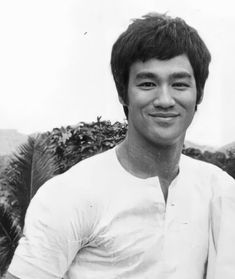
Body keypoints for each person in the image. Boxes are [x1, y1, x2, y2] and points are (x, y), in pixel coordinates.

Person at [6, 12, 235, 279]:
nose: (164, 99)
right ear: (123, 92)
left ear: (199, 93)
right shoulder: (70, 194)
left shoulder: (219, 190)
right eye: (148, 83)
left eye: (179, 84)